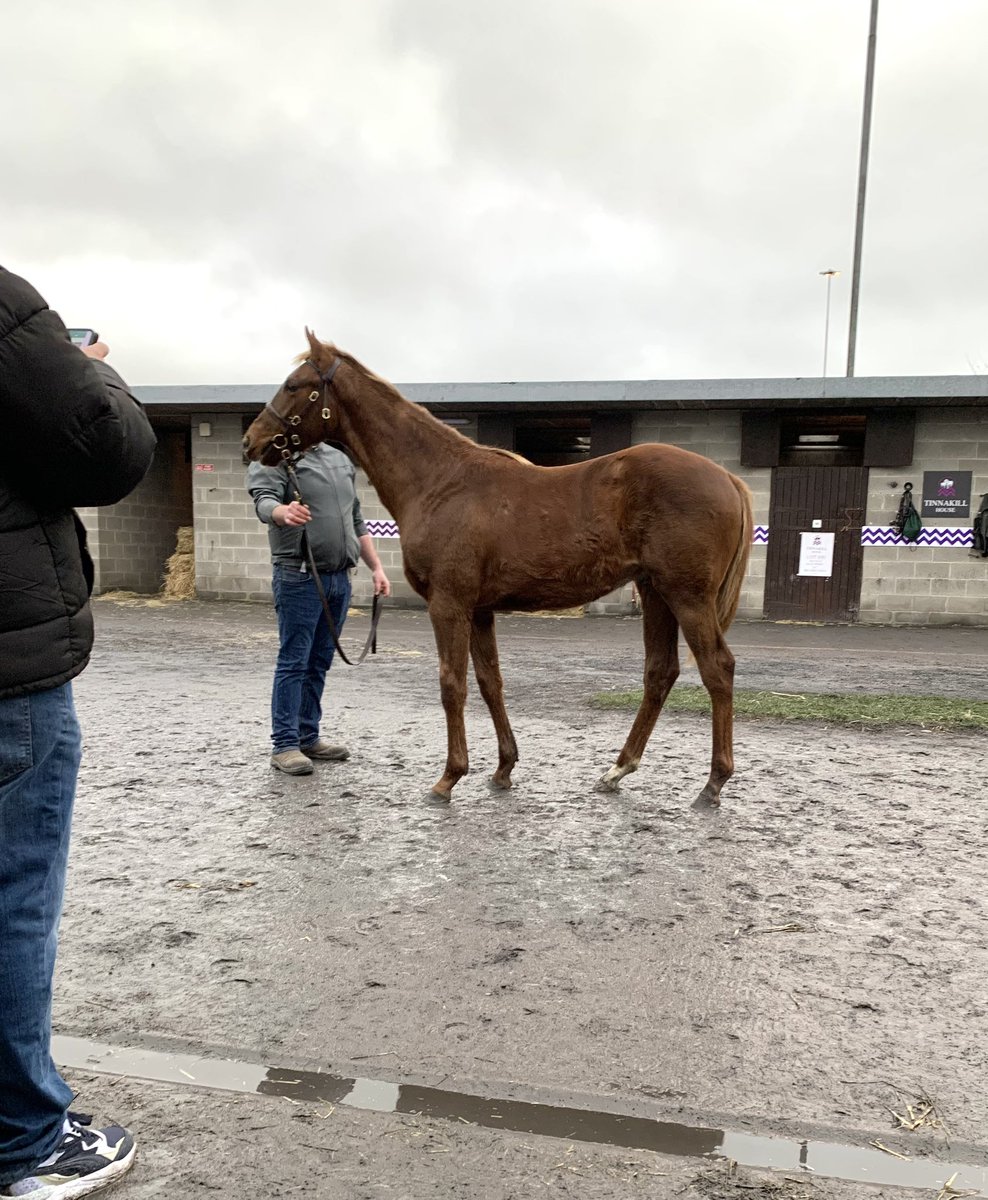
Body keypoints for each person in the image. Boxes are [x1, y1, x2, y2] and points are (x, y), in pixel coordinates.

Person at [0, 268, 156, 1197]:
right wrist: (95, 374)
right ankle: (22, 1141)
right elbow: (107, 450)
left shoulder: (335, 477)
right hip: (7, 666)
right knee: (13, 896)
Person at [247, 442, 391, 775]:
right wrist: (282, 513)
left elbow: (355, 518)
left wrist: (377, 567)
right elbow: (263, 501)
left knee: (319, 662)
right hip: (298, 577)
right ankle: (285, 745)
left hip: (339, 578)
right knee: (294, 660)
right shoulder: (276, 457)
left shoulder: (339, 459)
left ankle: (307, 736)